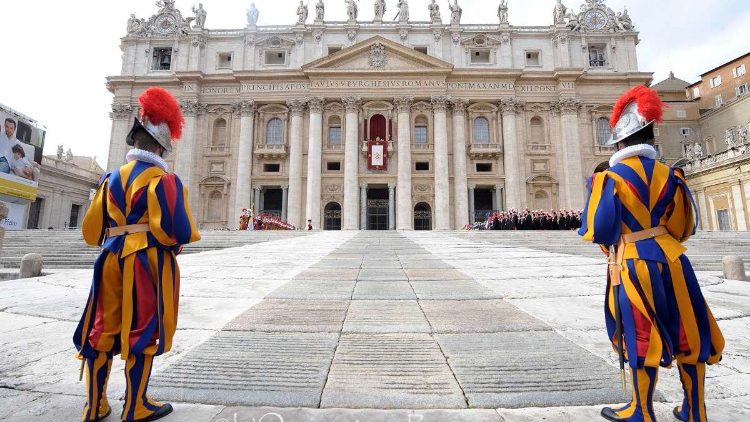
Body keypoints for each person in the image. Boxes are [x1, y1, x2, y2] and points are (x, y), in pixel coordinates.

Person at [578, 86, 724, 422]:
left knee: (639, 331)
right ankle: (695, 410)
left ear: (618, 143)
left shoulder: (609, 178)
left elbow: (598, 229)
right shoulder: (672, 175)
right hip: (674, 260)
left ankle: (641, 410)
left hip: (632, 262)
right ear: (650, 138)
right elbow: (685, 226)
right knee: (689, 329)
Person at [73, 87, 201, 422]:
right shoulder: (164, 180)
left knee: (100, 328)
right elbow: (176, 232)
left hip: (109, 259)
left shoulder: (110, 179)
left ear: (134, 144)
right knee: (143, 328)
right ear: (160, 147)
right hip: (146, 261)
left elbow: (90, 231)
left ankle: (95, 405)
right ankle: (135, 405)